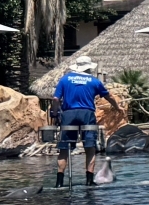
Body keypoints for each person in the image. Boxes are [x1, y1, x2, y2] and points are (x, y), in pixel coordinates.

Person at [52, 56, 122, 187]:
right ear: (89, 68)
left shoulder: (65, 79)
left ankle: (59, 182)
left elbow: (56, 99)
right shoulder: (94, 81)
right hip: (87, 114)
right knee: (90, 147)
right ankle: (89, 181)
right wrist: (117, 107)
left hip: (68, 115)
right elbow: (109, 96)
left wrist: (55, 113)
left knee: (64, 149)